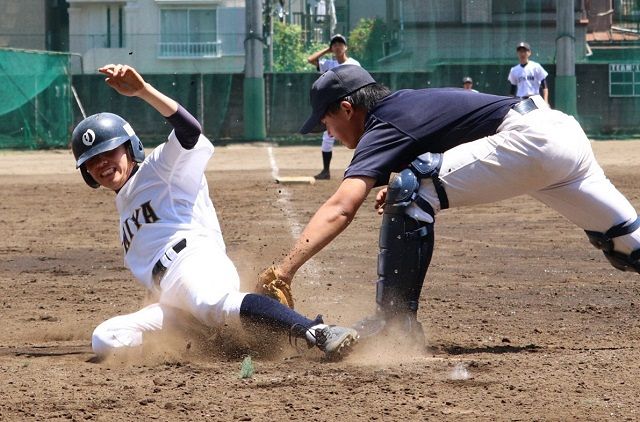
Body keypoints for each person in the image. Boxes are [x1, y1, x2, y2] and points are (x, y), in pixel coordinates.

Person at [257, 64, 640, 344]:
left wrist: (284, 269)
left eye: (325, 122)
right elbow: (457, 136)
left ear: (346, 108)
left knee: (413, 192)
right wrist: (413, 172)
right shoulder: (404, 104)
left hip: (530, 143)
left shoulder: (382, 124)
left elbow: (343, 206)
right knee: (627, 244)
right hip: (562, 135)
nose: (328, 132)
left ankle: (395, 323)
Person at [70, 64, 358, 361]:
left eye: (110, 153)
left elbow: (189, 130)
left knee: (209, 302)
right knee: (105, 338)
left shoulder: (160, 168)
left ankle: (317, 330)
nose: (102, 164)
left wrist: (143, 91)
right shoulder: (125, 210)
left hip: (196, 264)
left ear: (131, 148)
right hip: (172, 297)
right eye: (93, 161)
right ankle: (217, 341)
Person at [306, 34, 361, 180]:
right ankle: (326, 171)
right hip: (334, 108)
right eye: (334, 44)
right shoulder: (329, 64)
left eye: (340, 44)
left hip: (351, 105)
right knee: (327, 138)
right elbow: (310, 60)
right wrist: (326, 50)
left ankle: (363, 168)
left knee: (360, 136)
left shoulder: (354, 64)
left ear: (346, 47)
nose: (337, 46)